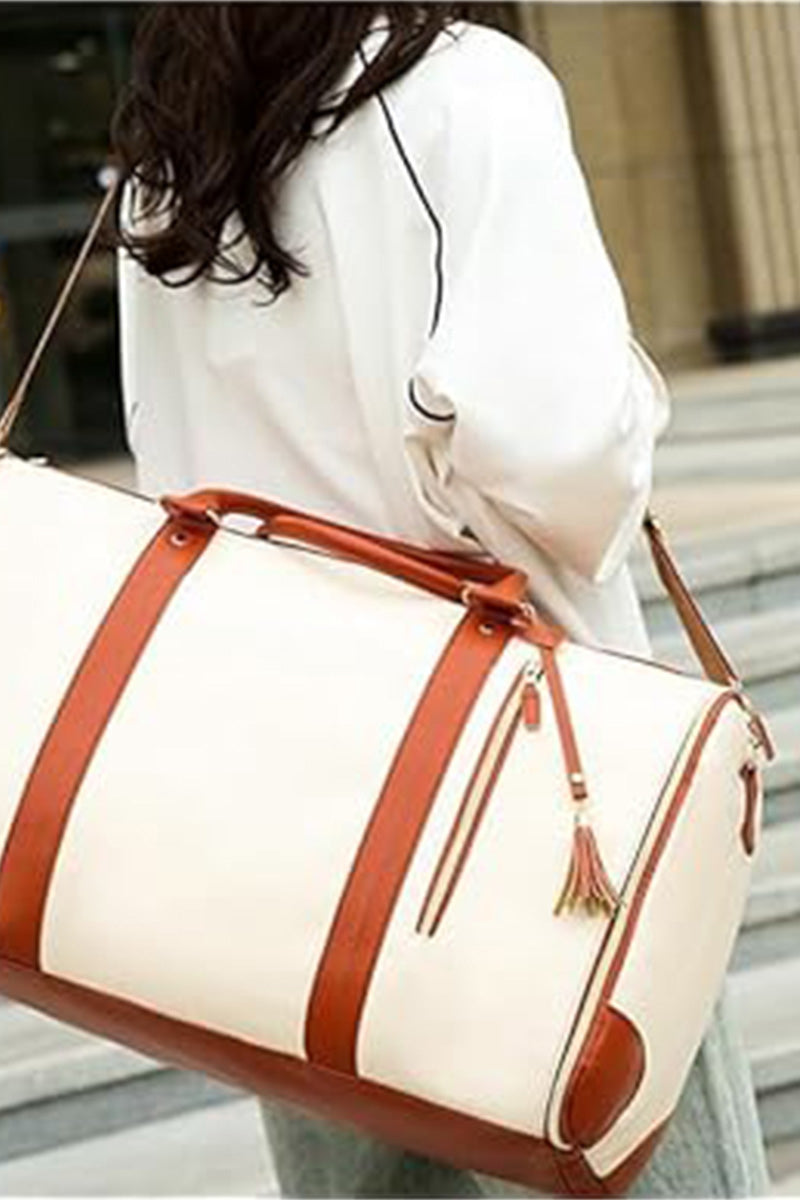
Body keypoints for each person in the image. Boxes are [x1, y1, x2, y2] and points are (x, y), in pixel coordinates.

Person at [111, 4, 771, 1196]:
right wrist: (625, 395)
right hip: (507, 769)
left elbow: (170, 456)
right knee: (623, 1145)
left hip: (273, 800)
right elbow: (562, 455)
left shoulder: (172, 146)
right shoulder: (463, 90)